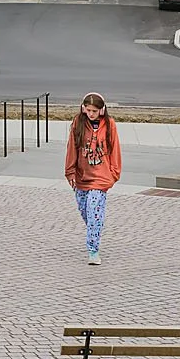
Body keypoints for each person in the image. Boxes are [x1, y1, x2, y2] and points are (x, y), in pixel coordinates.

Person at [63, 94, 123, 265]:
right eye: (88, 110)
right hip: (82, 176)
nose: (91, 114)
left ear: (101, 110)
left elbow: (115, 148)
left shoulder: (110, 125)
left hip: (101, 177)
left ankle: (93, 250)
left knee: (94, 210)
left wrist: (113, 174)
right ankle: (94, 230)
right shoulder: (78, 123)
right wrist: (70, 171)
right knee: (85, 211)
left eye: (94, 111)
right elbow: (72, 148)